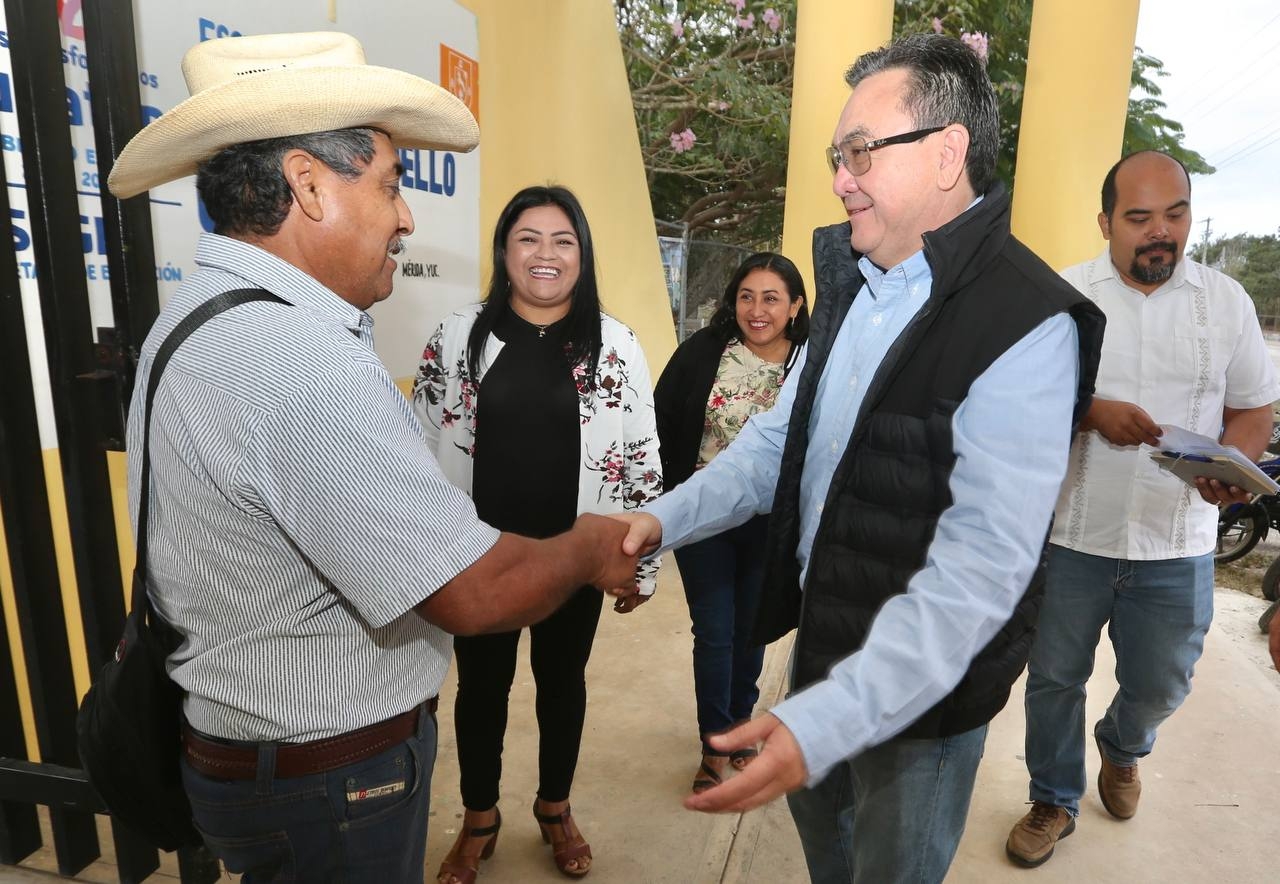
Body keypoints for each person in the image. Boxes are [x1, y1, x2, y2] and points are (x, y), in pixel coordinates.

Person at [109, 32, 637, 883]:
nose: (406, 215)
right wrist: (590, 545)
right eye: (391, 185)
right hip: (330, 786)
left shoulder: (196, 318)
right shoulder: (297, 358)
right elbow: (472, 592)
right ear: (308, 185)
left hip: (253, 758)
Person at [613, 33, 1105, 883]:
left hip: (926, 704)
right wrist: (658, 520)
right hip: (826, 649)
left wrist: (827, 719)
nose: (841, 179)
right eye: (839, 156)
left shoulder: (1027, 322)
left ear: (948, 153)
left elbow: (979, 573)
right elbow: (778, 443)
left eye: (860, 152)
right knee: (826, 848)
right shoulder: (854, 286)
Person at [1005, 150, 1280, 868]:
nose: (1160, 231)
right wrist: (1090, 410)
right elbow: (1017, 402)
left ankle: (1123, 747)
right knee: (1055, 678)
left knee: (1163, 680)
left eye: (1176, 214)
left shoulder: (1226, 303)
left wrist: (1234, 469)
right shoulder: (1063, 297)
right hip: (1073, 533)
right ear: (1105, 222)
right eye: (1139, 218)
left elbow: (1254, 407)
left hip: (1179, 538)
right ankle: (1052, 798)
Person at [413, 184, 662, 882]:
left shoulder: (616, 346)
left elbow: (643, 459)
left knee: (562, 683)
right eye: (529, 239)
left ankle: (555, 808)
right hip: (477, 560)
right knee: (481, 690)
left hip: (572, 561)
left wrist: (637, 564)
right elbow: (419, 445)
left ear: (581, 256)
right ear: (504, 251)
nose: (544, 255)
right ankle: (479, 817)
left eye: (562, 241)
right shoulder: (457, 337)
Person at [653, 252, 808, 794]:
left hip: (772, 523)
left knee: (752, 629)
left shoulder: (812, 364)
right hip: (706, 516)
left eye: (771, 298)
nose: (757, 309)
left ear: (795, 306)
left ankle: (741, 722)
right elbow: (662, 421)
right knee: (715, 632)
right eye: (746, 296)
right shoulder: (703, 352)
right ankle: (715, 740)